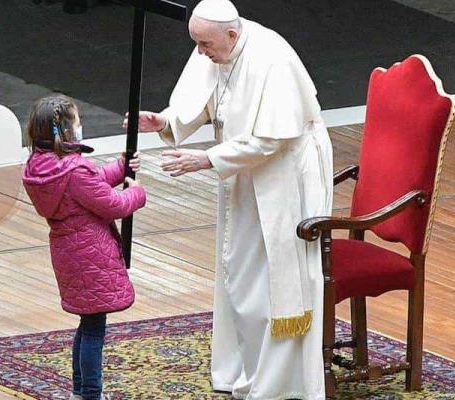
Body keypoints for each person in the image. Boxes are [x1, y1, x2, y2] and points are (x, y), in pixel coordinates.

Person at [126, 0, 333, 398]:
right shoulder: (218, 47)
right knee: (239, 266)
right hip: (245, 170)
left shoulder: (271, 58)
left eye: (205, 44)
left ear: (232, 35)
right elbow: (209, 100)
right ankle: (243, 369)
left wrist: (207, 158)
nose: (201, 53)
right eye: (198, 44)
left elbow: (273, 137)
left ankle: (280, 384)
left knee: (273, 275)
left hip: (285, 174)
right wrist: (165, 121)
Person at [23, 94, 146, 400]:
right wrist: (138, 194)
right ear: (65, 132)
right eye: (77, 121)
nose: (81, 126)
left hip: (69, 255)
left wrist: (120, 167)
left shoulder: (44, 168)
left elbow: (93, 182)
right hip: (91, 254)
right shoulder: (74, 171)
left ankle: (81, 390)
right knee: (94, 330)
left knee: (88, 323)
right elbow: (112, 204)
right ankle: (91, 393)